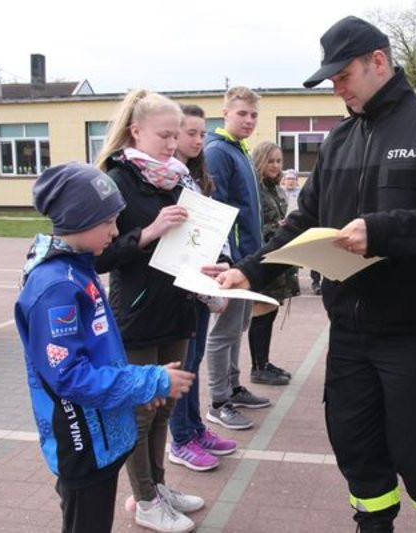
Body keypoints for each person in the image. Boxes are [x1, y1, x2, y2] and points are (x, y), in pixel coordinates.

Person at [218, 16, 416, 533]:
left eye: (342, 76)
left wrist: (384, 232)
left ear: (379, 62)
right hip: (348, 331)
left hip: (415, 330)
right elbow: (303, 221)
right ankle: (373, 523)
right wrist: (249, 270)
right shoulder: (341, 140)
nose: (336, 88)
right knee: (355, 442)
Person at [15, 162, 196, 533]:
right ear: (79, 220)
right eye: (109, 222)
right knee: (87, 521)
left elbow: (101, 353)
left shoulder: (77, 270)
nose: (116, 232)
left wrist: (136, 389)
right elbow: (71, 375)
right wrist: (151, 382)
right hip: (83, 443)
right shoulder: (57, 288)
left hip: (98, 436)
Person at [94, 89, 205, 533]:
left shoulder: (177, 177)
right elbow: (99, 256)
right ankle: (144, 500)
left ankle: (157, 486)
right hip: (137, 314)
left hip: (177, 305)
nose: (173, 145)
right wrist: (149, 232)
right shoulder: (113, 180)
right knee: (139, 411)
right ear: (135, 131)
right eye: (164, 135)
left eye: (176, 136)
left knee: (163, 406)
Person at [167, 104, 237, 473]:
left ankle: (194, 429)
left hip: (200, 285)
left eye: (201, 134)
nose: (198, 140)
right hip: (179, 288)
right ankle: (180, 440)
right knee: (183, 366)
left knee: (192, 363)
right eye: (190, 133)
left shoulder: (197, 178)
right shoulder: (166, 180)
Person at [204, 86, 271, 431]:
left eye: (253, 115)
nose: (248, 120)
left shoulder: (239, 151)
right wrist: (227, 261)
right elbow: (218, 212)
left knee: (239, 328)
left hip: (247, 260)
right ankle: (218, 401)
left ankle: (232, 386)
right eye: (241, 113)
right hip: (232, 264)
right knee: (224, 331)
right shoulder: (218, 152)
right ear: (225, 112)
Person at [247, 141, 298, 386]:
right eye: (271, 161)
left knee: (271, 312)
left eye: (279, 161)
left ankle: (264, 362)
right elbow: (250, 225)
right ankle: (257, 368)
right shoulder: (254, 189)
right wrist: (275, 228)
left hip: (278, 259)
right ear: (259, 161)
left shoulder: (277, 190)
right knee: (261, 313)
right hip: (261, 258)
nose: (276, 166)